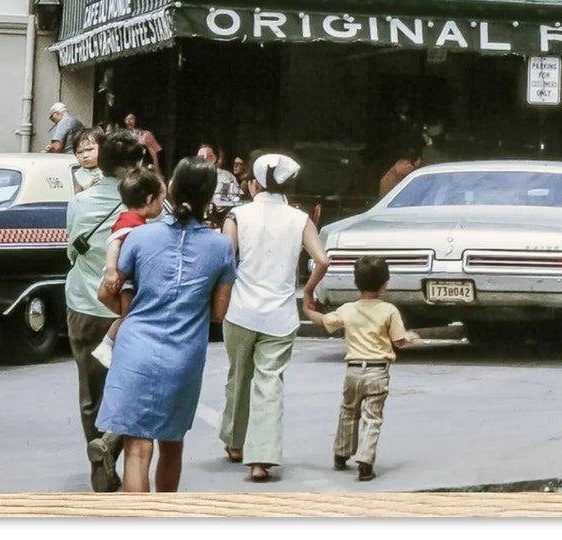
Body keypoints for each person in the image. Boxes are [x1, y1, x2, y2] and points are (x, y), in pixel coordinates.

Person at [92, 157, 237, 495]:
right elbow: (218, 313)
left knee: (136, 450)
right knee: (172, 444)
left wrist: (131, 308)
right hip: (184, 356)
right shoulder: (221, 248)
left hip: (134, 350)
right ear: (209, 197)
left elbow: (105, 294)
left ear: (170, 189)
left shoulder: (140, 238)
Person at [219, 152, 330, 483]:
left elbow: (225, 263)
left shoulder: (237, 216)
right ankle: (261, 459)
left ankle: (235, 443)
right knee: (269, 384)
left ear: (254, 184)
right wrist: (307, 291)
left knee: (239, 376)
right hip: (280, 316)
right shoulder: (299, 219)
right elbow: (322, 260)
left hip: (240, 311)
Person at [64, 128, 147, 491]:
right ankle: (123, 455)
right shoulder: (147, 207)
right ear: (137, 166)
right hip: (132, 310)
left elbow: (71, 251)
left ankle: (99, 463)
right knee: (135, 388)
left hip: (83, 303)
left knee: (91, 390)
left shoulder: (79, 203)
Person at [303, 255, 420, 482]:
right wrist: (409, 337)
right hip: (378, 371)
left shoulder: (348, 309)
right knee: (372, 417)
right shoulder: (389, 311)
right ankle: (365, 461)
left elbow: (324, 321)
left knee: (348, 410)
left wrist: (307, 310)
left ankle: (341, 452)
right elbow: (398, 341)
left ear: (356, 283)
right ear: (385, 284)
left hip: (353, 370)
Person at [90, 166, 167, 369]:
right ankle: (106, 345)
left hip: (125, 278)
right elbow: (113, 243)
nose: (162, 206)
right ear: (150, 199)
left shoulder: (133, 220)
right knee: (129, 317)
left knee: (129, 315)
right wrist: (112, 270)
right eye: (161, 200)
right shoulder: (131, 222)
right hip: (125, 280)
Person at [71, 125, 105, 192]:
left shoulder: (111, 170)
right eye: (79, 152)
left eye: (89, 149)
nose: (85, 155)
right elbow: (77, 199)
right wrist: (90, 191)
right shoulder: (79, 176)